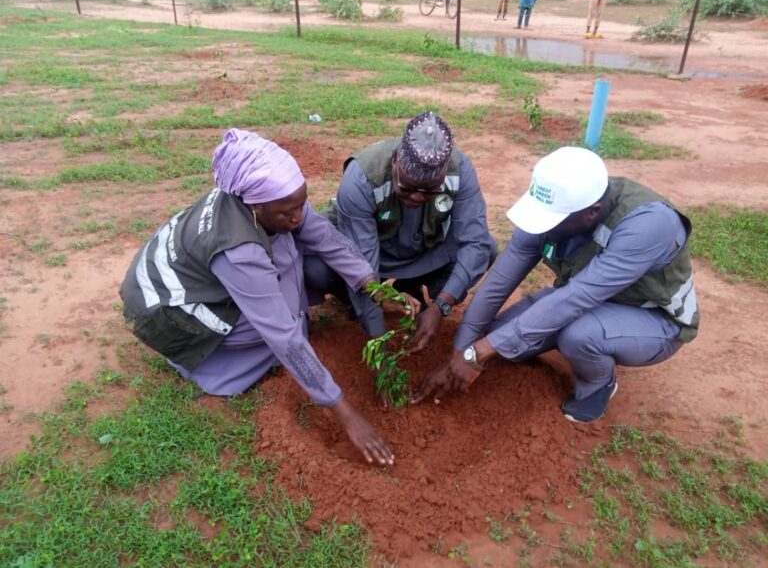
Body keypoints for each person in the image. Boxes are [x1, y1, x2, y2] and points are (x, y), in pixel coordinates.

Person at [120, 128, 400, 466]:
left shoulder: (269, 200)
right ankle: (211, 365)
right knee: (278, 326)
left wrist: (375, 287)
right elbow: (284, 336)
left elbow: (326, 237)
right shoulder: (239, 250)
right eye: (287, 212)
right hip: (170, 312)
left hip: (189, 280)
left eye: (301, 204)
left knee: (288, 251)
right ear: (254, 206)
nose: (297, 217)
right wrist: (346, 414)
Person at [413, 147, 700, 423]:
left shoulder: (648, 225)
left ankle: (597, 384)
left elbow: (576, 298)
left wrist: (478, 354)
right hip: (585, 299)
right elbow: (499, 281)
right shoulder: (556, 207)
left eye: (552, 220)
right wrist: (463, 350)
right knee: (500, 337)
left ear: (592, 212)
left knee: (578, 335)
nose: (543, 226)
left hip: (654, 320)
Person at [305, 111, 496, 375]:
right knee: (315, 267)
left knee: (487, 249)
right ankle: (356, 304)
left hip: (423, 250)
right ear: (395, 161)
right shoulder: (361, 178)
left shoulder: (460, 170)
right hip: (369, 251)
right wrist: (378, 341)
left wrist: (441, 307)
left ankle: (411, 285)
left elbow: (475, 244)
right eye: (406, 187)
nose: (417, 197)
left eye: (429, 191)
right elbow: (358, 260)